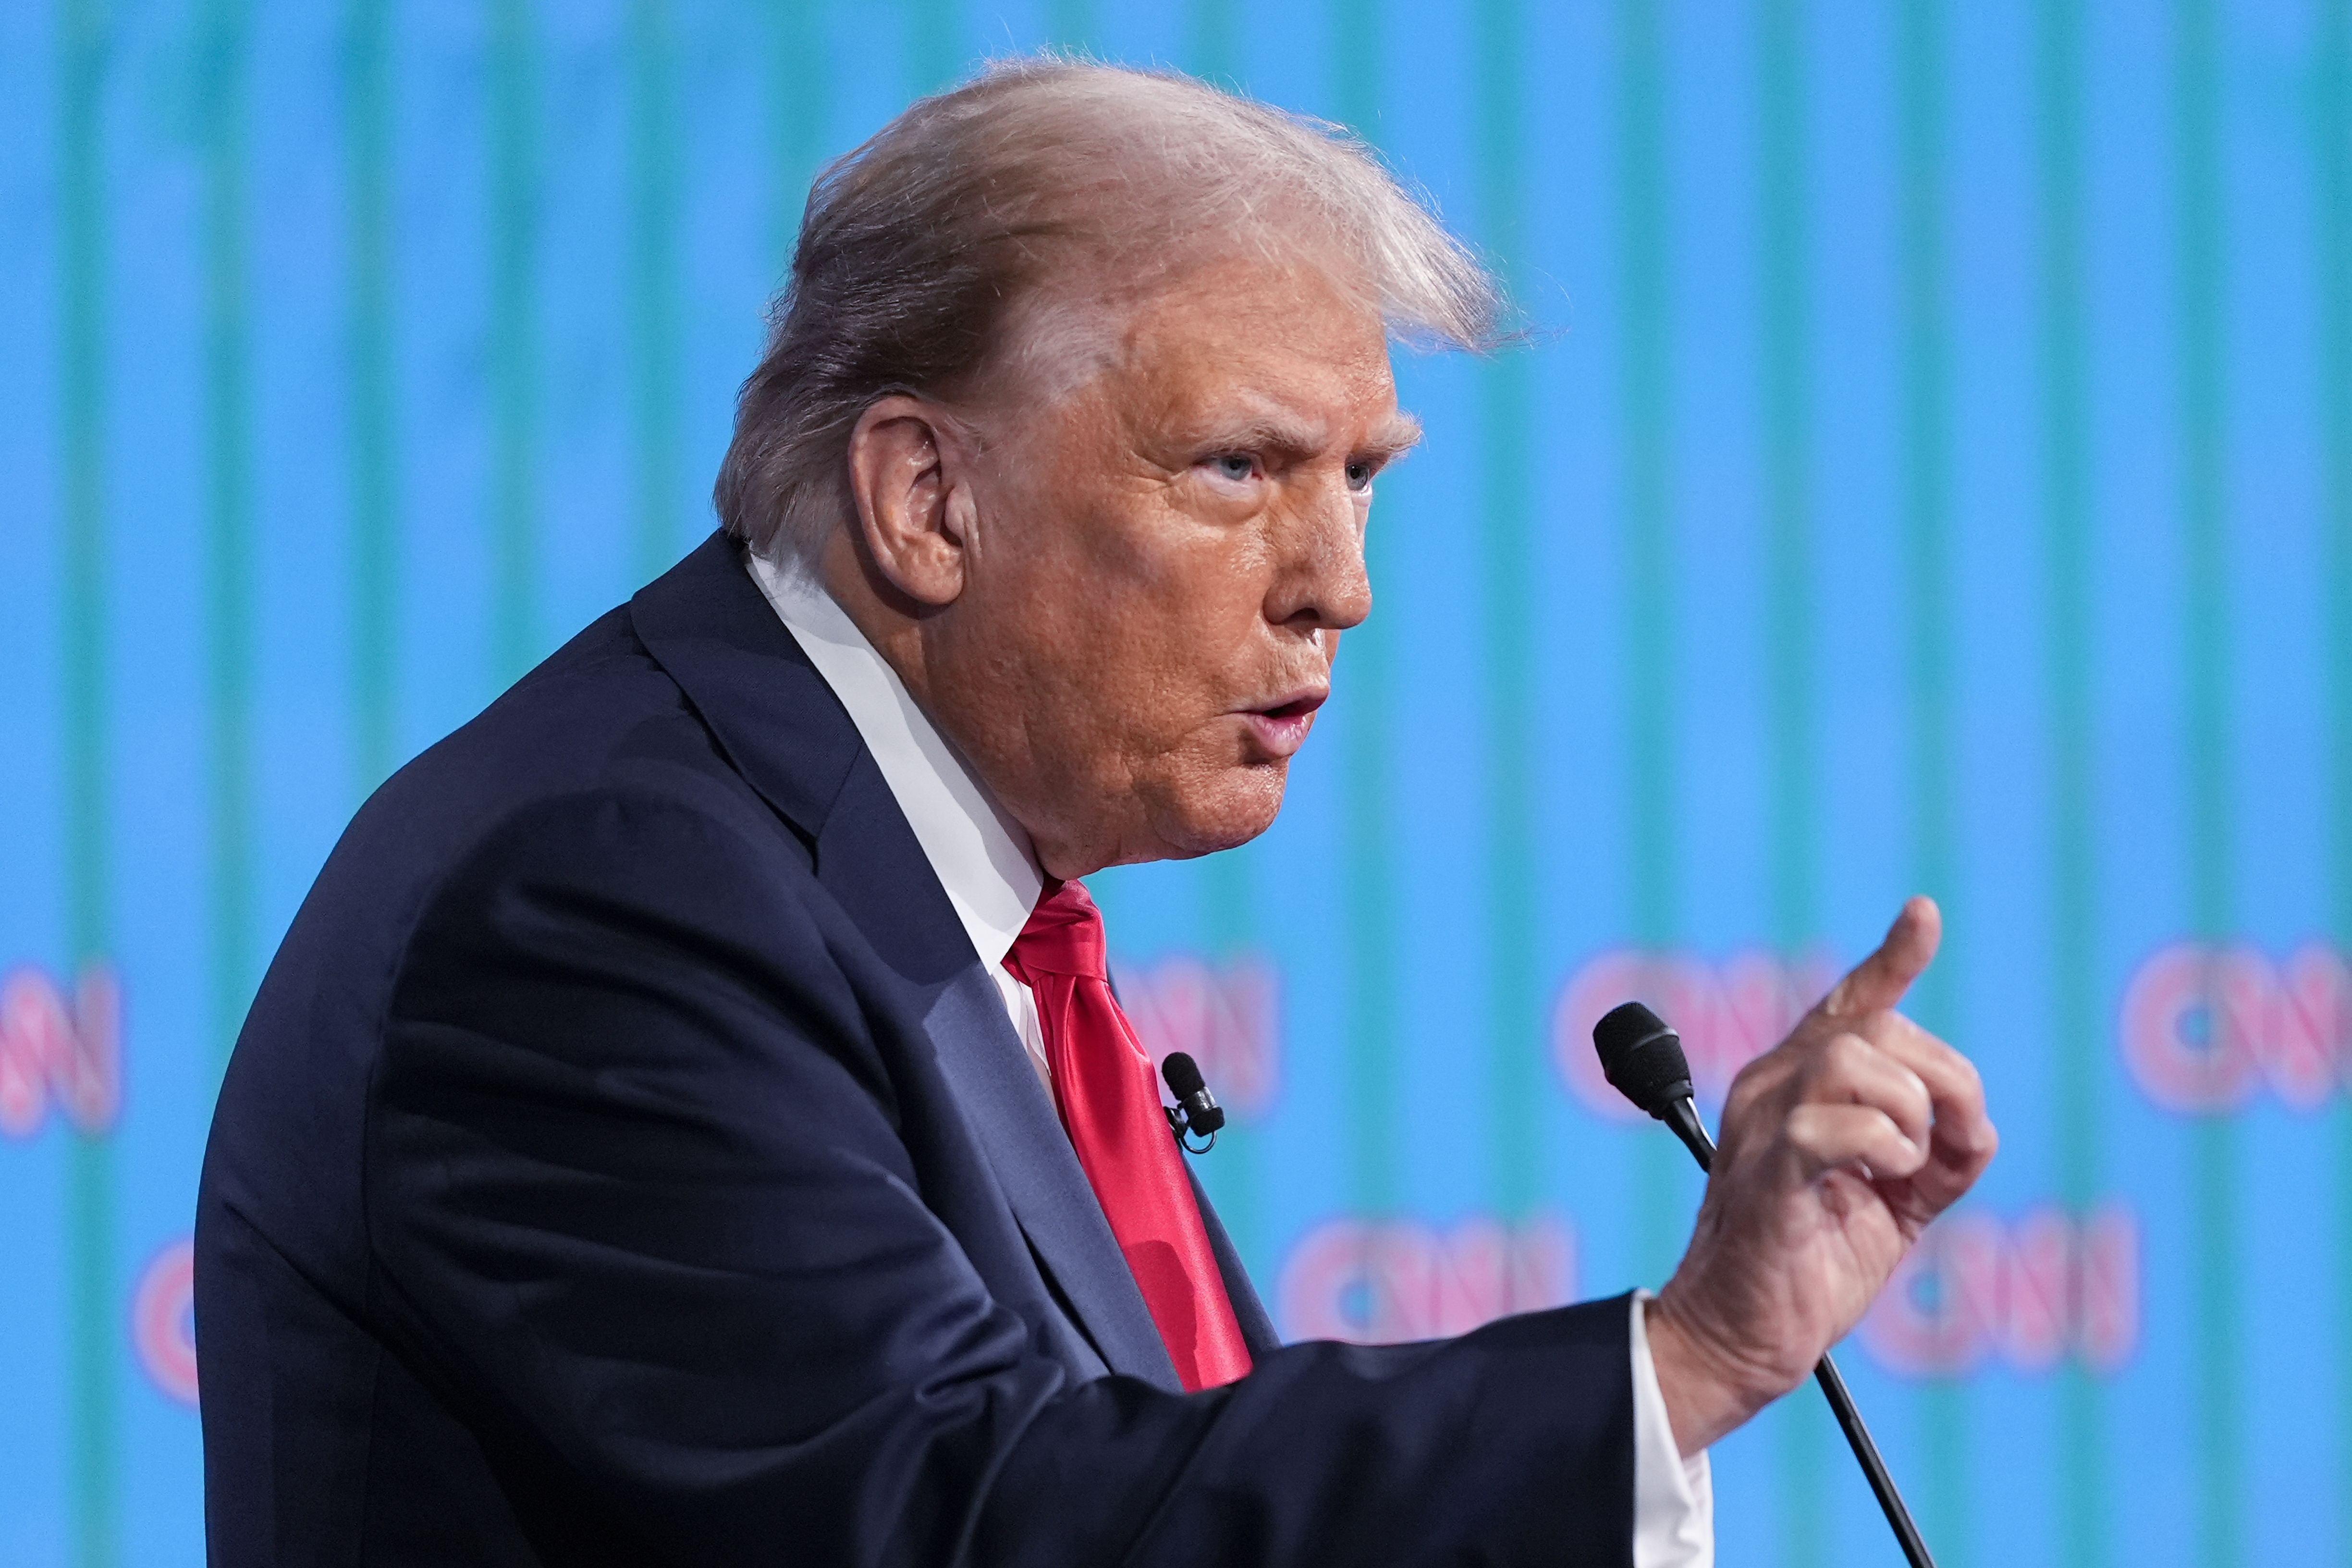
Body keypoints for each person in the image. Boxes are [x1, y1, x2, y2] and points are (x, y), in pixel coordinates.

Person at [195, 57, 1996, 1568]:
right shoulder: (602, 900)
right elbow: (969, 1521)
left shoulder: (934, 898)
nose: (1339, 586)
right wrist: (1673, 1370)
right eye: (1239, 468)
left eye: (1361, 478)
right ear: (923, 500)